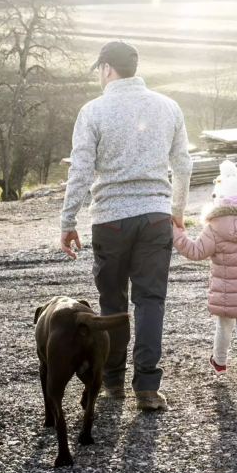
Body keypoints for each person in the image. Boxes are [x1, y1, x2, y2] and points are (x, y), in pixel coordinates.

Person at [59, 40, 193, 411]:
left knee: (112, 301)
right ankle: (148, 388)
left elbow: (82, 171)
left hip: (110, 220)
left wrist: (68, 220)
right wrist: (177, 208)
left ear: (106, 69)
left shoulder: (93, 111)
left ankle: (113, 382)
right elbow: (183, 164)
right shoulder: (168, 107)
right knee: (151, 300)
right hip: (155, 216)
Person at [171, 161, 237, 391]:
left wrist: (177, 232)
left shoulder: (215, 225)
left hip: (227, 291)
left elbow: (195, 251)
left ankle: (219, 361)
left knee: (224, 326)